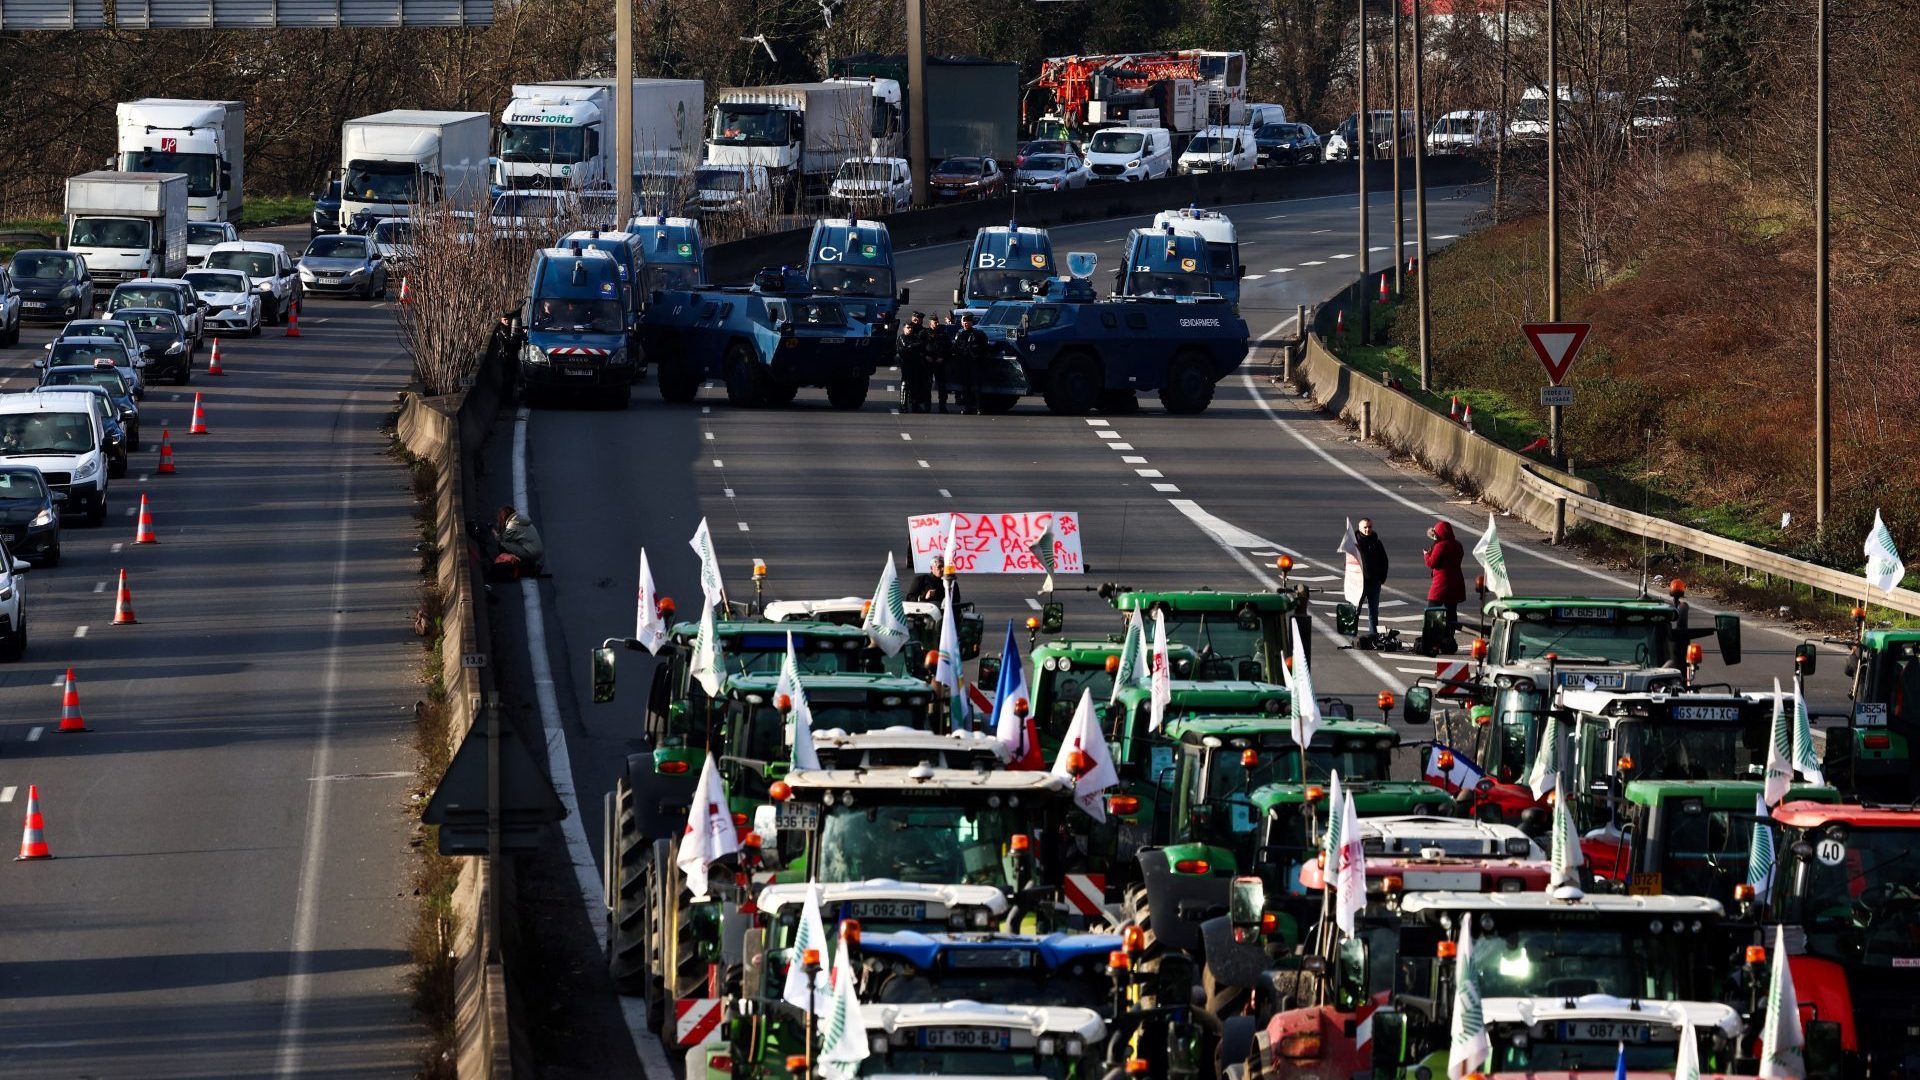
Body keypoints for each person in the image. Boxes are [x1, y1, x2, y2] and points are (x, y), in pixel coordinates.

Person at [1423, 520, 1465, 632]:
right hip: (1456, 583)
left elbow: (1431, 563)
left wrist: (1426, 554)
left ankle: (1432, 639)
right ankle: (1449, 638)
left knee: (1432, 610)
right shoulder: (1458, 545)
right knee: (1451, 613)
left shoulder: (1440, 546)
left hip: (1441, 584)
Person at [488, 504, 545, 581]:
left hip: (531, 553)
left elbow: (502, 540)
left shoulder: (512, 525)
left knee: (502, 545)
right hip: (538, 552)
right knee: (513, 544)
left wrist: (493, 530)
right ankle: (528, 565)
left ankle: (508, 566)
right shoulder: (521, 520)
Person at [1355, 518, 1390, 637]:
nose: (1367, 529)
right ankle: (1351, 634)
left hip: (1374, 583)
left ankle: (1373, 635)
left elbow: (1384, 561)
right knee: (1355, 610)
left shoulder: (1376, 542)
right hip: (1359, 583)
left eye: (1369, 527)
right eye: (1365, 527)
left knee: (1373, 612)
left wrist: (1382, 578)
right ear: (1360, 529)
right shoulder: (1355, 544)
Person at [950, 311, 990, 415]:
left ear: (972, 322)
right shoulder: (959, 334)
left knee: (977, 387)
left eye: (967, 321)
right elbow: (955, 348)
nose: (965, 323)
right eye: (964, 321)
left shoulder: (978, 334)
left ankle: (979, 407)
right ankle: (967, 407)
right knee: (965, 387)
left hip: (975, 363)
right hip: (963, 364)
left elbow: (985, 348)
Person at [897, 312, 931, 413]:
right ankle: (903, 405)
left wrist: (915, 347)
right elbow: (906, 348)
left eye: (910, 328)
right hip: (906, 362)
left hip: (918, 362)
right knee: (905, 383)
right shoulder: (902, 337)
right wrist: (914, 346)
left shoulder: (921, 332)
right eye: (908, 327)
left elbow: (923, 345)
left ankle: (916, 405)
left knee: (917, 384)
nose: (910, 329)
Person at [926, 315, 954, 414]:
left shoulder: (943, 334)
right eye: (934, 322)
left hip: (940, 363)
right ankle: (927, 406)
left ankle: (942, 406)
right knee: (927, 385)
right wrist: (926, 357)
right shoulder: (925, 333)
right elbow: (920, 347)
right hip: (928, 363)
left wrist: (942, 357)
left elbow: (949, 348)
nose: (936, 324)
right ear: (930, 323)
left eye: (937, 322)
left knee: (942, 386)